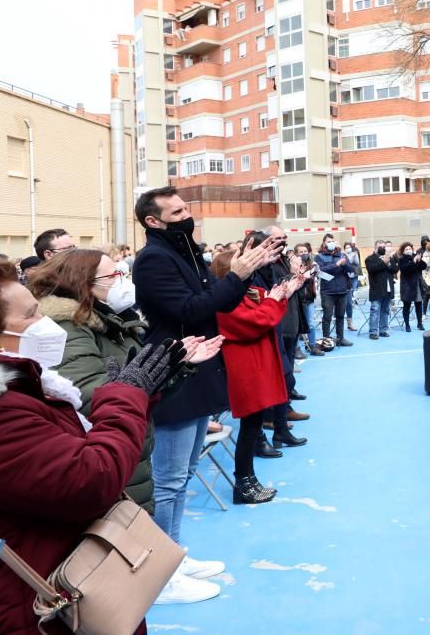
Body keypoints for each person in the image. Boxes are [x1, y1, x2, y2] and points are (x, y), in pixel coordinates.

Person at [0, 255, 181, 635]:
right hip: (33, 603)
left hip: (46, 577)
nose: (44, 322)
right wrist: (125, 396)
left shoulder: (8, 391)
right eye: (31, 315)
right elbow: (90, 479)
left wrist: (141, 393)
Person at [131, 185, 282, 604]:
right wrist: (236, 275)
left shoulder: (184, 252)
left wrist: (241, 274)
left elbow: (217, 304)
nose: (187, 214)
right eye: (177, 210)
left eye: (185, 208)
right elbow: (190, 311)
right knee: (170, 480)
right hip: (176, 374)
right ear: (153, 221)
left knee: (185, 475)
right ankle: (161, 572)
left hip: (199, 371)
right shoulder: (154, 261)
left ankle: (174, 556)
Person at [28, 250, 163, 512]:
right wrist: (136, 388)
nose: (123, 281)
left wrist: (173, 369)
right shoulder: (68, 328)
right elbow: (89, 397)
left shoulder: (116, 322)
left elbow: (137, 381)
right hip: (107, 449)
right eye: (114, 275)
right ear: (83, 282)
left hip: (130, 444)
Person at [210, 251, 302, 503]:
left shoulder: (239, 294)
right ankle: (243, 482)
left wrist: (285, 291)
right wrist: (276, 299)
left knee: (254, 426)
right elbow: (259, 319)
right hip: (246, 370)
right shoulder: (225, 303)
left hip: (255, 366)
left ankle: (248, 479)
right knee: (250, 428)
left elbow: (265, 304)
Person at [247, 228, 308, 454]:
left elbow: (277, 295)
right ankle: (261, 435)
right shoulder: (251, 274)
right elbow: (261, 304)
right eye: (269, 247)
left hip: (277, 326)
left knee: (285, 380)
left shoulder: (268, 269)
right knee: (270, 385)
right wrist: (285, 289)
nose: (274, 250)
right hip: (263, 332)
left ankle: (280, 429)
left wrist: (292, 284)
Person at [316, 236, 354, 347]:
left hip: (342, 290)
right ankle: (326, 339)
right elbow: (320, 270)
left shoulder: (342, 255)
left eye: (333, 241)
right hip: (327, 291)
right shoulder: (319, 257)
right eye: (329, 241)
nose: (331, 243)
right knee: (327, 316)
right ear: (324, 243)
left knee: (340, 316)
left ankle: (340, 338)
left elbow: (351, 269)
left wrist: (344, 263)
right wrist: (336, 265)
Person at [293, 242, 325, 356]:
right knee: (297, 325)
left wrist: (311, 270)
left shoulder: (313, 265)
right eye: (300, 252)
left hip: (309, 299)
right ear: (296, 253)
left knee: (310, 324)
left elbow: (316, 275)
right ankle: (296, 349)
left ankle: (312, 346)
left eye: (305, 251)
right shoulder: (292, 265)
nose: (303, 253)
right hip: (296, 299)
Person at [364, 240, 393, 340]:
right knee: (375, 310)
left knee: (385, 311)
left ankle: (383, 330)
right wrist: (384, 262)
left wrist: (389, 263)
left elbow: (395, 269)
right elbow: (372, 269)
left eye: (383, 247)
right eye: (380, 246)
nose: (382, 248)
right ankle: (373, 331)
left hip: (388, 288)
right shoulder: (370, 259)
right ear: (375, 248)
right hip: (376, 289)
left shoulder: (389, 258)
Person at [398, 242, 427, 330]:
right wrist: (413, 262)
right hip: (407, 286)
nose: (408, 250)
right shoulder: (402, 260)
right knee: (407, 305)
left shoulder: (416, 256)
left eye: (410, 248)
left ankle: (419, 323)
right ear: (403, 251)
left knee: (419, 304)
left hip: (417, 284)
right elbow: (405, 269)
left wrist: (420, 260)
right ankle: (407, 324)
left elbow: (424, 266)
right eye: (406, 249)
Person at [342, 241, 361, 331]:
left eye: (349, 247)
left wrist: (354, 256)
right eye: (346, 247)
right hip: (340, 283)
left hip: (350, 280)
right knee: (339, 305)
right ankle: (338, 323)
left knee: (349, 303)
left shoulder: (354, 254)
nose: (348, 249)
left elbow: (356, 263)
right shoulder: (341, 255)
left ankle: (350, 323)